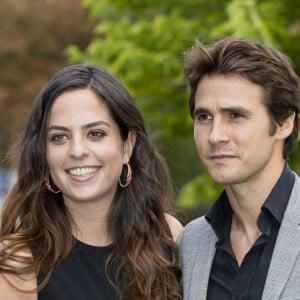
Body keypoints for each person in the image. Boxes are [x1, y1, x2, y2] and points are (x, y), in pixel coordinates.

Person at [0, 64, 183, 300]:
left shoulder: (168, 236)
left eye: (95, 133)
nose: (77, 151)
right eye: (59, 137)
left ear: (127, 146)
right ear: (44, 155)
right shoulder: (17, 263)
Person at [178, 36, 300, 299]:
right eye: (204, 117)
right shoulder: (191, 243)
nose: (215, 135)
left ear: (284, 123)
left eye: (235, 115)